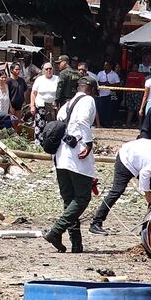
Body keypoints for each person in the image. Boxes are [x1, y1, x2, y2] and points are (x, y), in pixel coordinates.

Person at [88, 136, 151, 235]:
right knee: (117, 190)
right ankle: (96, 222)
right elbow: (145, 172)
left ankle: (147, 228)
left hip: (142, 164)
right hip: (128, 158)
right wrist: (147, 194)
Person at [44, 76, 97, 254]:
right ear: (91, 89)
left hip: (61, 156)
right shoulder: (88, 100)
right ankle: (56, 231)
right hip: (77, 156)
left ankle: (76, 244)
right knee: (82, 198)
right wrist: (89, 143)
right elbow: (82, 121)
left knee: (70, 201)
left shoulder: (66, 105)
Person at [96, 61, 121, 128]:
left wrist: (109, 85)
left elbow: (118, 84)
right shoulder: (100, 73)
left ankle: (108, 123)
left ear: (110, 66)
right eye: (104, 65)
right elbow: (97, 82)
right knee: (101, 109)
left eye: (107, 65)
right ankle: (101, 123)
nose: (105, 66)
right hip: (101, 94)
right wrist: (103, 83)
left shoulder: (114, 74)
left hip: (110, 94)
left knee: (109, 109)